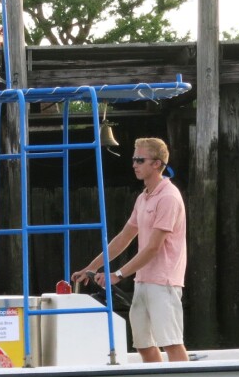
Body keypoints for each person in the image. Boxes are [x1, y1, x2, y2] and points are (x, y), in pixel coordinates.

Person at [71, 137, 188, 363]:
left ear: (156, 164)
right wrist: (91, 267)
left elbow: (154, 247)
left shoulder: (169, 197)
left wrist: (118, 274)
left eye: (139, 160)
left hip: (164, 282)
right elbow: (123, 237)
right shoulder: (143, 197)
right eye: (134, 159)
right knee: (143, 346)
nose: (134, 164)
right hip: (143, 280)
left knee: (172, 342)